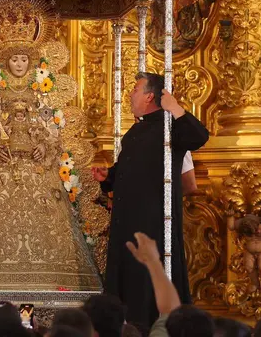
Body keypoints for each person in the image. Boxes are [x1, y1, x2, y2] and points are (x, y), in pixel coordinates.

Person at [92, 72, 209, 329]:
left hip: (152, 221)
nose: (130, 94)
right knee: (127, 278)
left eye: (135, 89)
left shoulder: (170, 128)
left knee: (145, 280)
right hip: (126, 222)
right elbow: (130, 171)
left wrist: (174, 107)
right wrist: (108, 176)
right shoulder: (136, 131)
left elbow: (199, 137)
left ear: (149, 96)